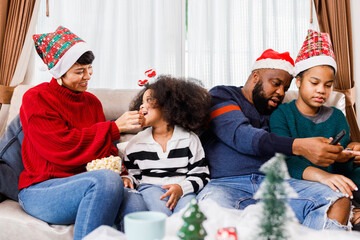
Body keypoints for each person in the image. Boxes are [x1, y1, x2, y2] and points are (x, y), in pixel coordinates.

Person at [197, 48, 352, 230]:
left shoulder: (279, 112)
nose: (280, 92)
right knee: (212, 214)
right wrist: (300, 146)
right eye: (275, 83)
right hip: (226, 185)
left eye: (285, 88)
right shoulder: (222, 95)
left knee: (338, 201)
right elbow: (242, 136)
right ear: (255, 76)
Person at [18, 26, 147, 240]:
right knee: (106, 181)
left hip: (88, 185)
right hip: (41, 189)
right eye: (79, 71)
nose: (88, 76)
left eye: (89, 68)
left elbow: (105, 152)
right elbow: (60, 148)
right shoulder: (36, 99)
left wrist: (123, 174)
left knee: (134, 200)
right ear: (59, 72)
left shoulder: (92, 103)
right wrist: (114, 128)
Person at [270, 29, 360, 229]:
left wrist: (351, 153)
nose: (321, 90)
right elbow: (285, 163)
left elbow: (343, 166)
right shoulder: (282, 115)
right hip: (301, 184)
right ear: (299, 81)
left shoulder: (336, 117)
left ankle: (354, 211)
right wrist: (325, 176)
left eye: (328, 85)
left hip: (336, 181)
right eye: (314, 82)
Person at [122, 76, 211, 216]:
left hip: (183, 189)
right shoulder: (136, 143)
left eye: (149, 100)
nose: (141, 105)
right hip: (150, 188)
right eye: (141, 102)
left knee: (188, 215)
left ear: (168, 105)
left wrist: (181, 188)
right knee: (161, 214)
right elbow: (134, 176)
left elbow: (201, 175)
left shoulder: (189, 139)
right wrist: (128, 179)